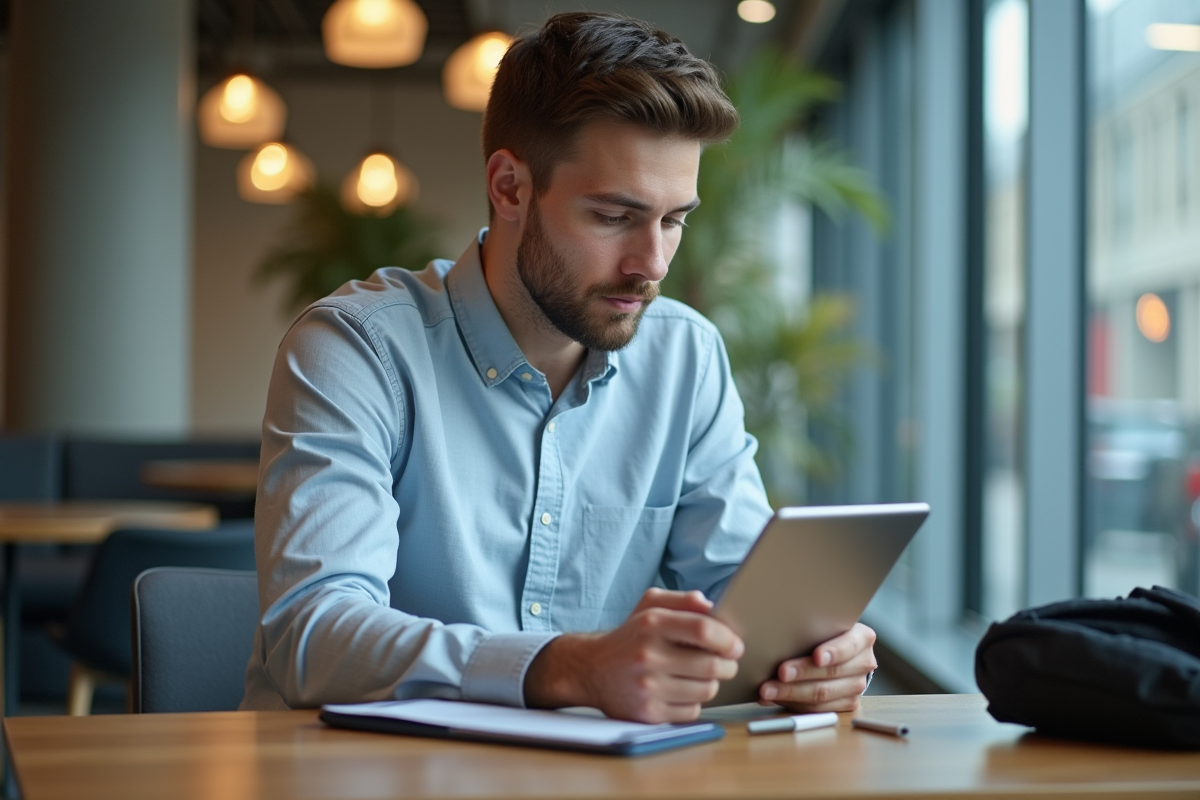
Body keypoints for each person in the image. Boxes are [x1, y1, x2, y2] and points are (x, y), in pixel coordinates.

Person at [242, 11, 877, 723]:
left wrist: (810, 657)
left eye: (674, 220)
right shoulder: (356, 349)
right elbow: (314, 636)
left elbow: (742, 598)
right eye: (614, 217)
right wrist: (569, 667)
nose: (654, 265)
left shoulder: (685, 358)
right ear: (510, 187)